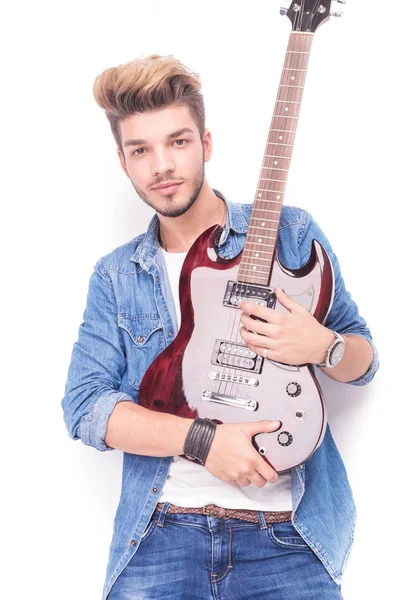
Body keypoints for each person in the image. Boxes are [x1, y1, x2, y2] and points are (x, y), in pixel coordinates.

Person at [61, 54, 379, 600]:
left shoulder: (291, 233)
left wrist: (323, 346)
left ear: (206, 143)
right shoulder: (117, 275)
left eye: (178, 142)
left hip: (288, 537)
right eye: (142, 150)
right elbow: (86, 407)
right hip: (160, 534)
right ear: (124, 162)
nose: (162, 165)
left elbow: (364, 362)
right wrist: (202, 440)